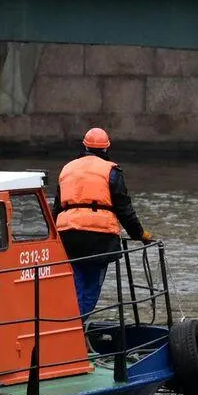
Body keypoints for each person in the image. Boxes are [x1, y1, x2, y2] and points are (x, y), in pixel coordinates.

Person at [52, 127, 152, 317]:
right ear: (106, 149)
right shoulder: (111, 171)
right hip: (100, 238)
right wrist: (139, 234)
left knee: (76, 283)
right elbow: (124, 209)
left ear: (84, 146)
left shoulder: (67, 169)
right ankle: (79, 326)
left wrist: (50, 238)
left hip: (68, 235)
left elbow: (56, 208)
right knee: (92, 286)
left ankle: (73, 326)